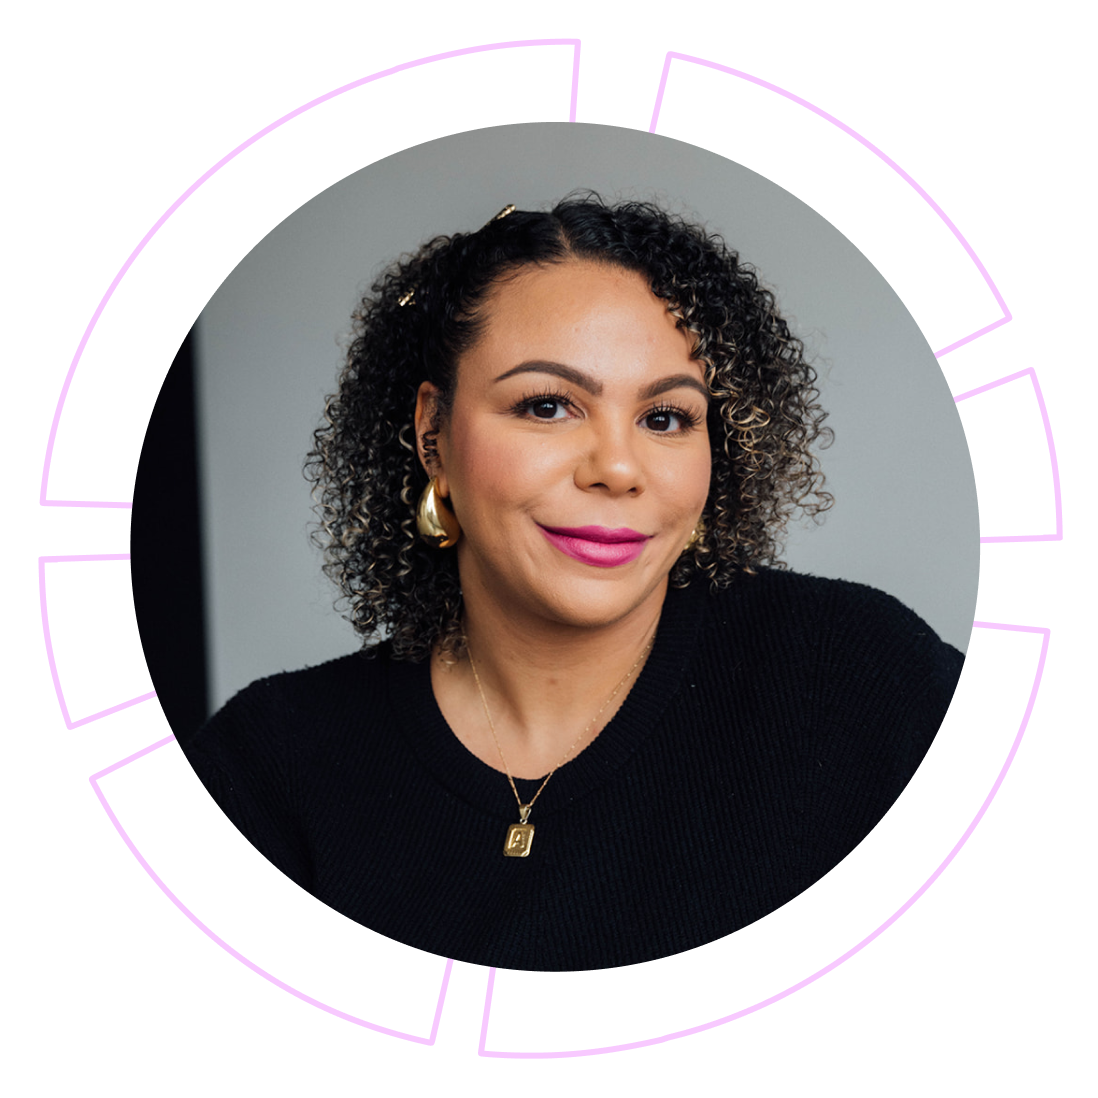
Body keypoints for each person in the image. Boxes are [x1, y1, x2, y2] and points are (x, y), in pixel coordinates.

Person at [179, 192, 967, 1054]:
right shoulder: (270, 769)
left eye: (666, 418)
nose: (619, 467)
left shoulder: (859, 683)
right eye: (548, 405)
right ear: (434, 434)